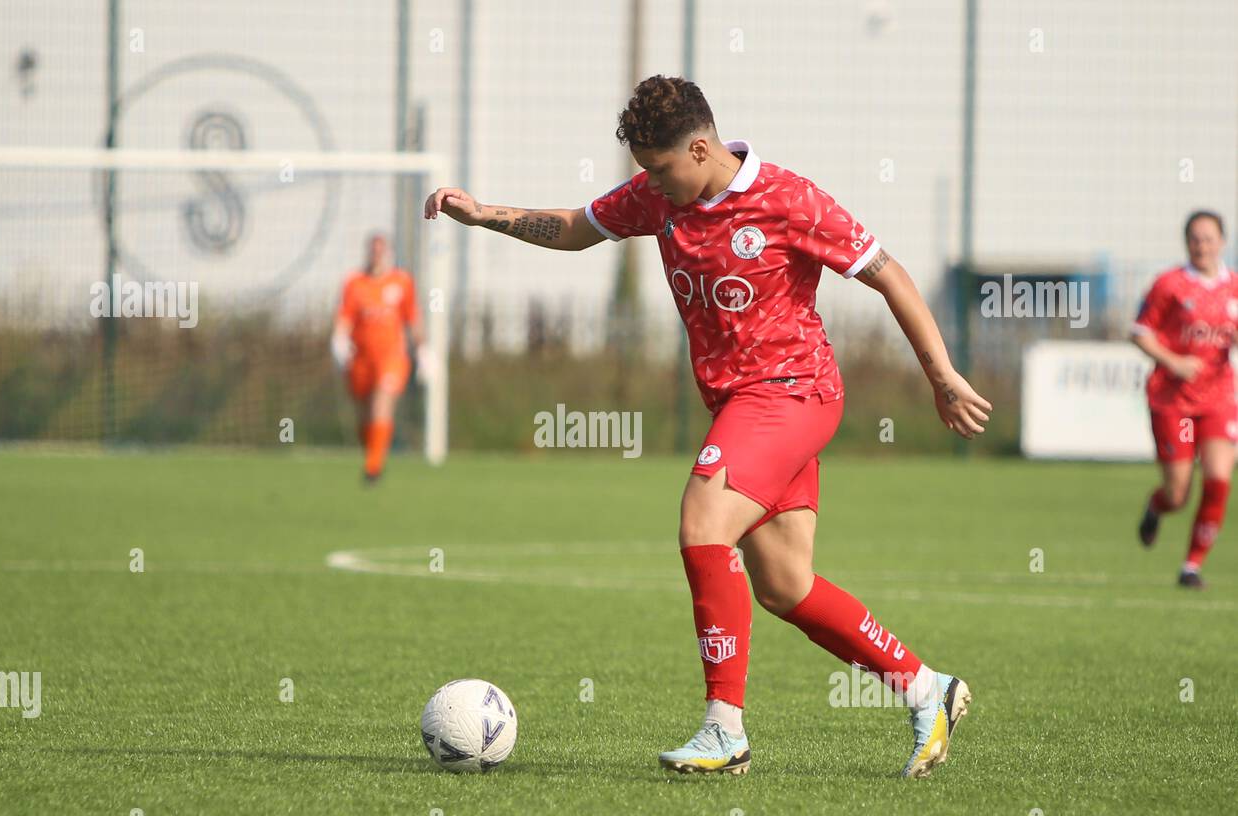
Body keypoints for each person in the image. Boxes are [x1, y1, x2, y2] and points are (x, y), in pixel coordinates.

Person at [424, 75, 992, 778]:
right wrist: (485, 216)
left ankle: (725, 731)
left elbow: (890, 275)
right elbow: (575, 230)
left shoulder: (789, 199)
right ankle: (927, 688)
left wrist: (940, 375)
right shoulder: (659, 196)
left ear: (700, 148)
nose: (652, 185)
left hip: (791, 393)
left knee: (702, 523)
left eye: (661, 170)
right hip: (743, 408)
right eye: (644, 173)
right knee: (785, 585)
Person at [1132, 211, 1237, 588]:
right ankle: (1157, 506)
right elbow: (1140, 332)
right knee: (1179, 492)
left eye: (1208, 238)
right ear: (1186, 243)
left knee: (1218, 479)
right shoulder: (1169, 285)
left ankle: (1191, 566)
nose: (1202, 245)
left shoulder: (1235, 288)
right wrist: (1174, 361)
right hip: (1174, 401)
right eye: (1195, 238)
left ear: (1222, 241)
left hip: (1219, 399)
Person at [331, 233, 430, 483]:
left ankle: (373, 468)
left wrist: (423, 349)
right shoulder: (354, 283)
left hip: (392, 358)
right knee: (364, 415)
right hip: (361, 358)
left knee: (381, 404)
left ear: (388, 253)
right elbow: (344, 317)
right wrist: (339, 341)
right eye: (372, 250)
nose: (376, 255)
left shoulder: (402, 282)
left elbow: (413, 318)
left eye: (381, 250)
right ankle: (373, 453)